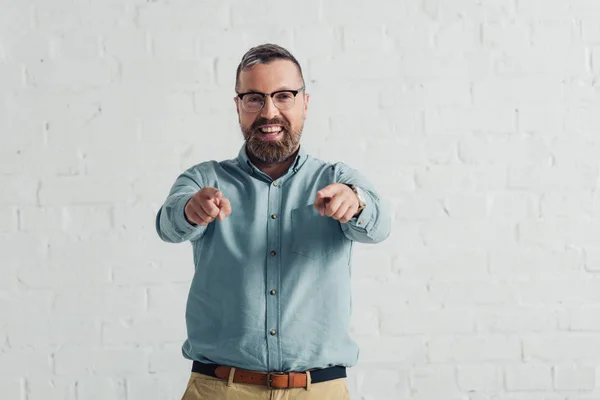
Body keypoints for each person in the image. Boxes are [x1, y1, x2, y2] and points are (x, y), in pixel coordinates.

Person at [155, 43, 391, 400]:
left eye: (283, 96)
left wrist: (354, 202)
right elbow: (168, 224)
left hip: (318, 391)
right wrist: (192, 209)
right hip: (219, 389)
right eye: (254, 98)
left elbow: (380, 224)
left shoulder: (337, 178)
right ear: (238, 106)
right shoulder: (204, 180)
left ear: (305, 104)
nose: (269, 112)